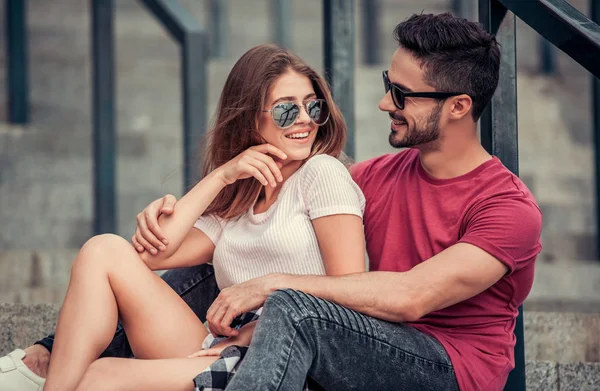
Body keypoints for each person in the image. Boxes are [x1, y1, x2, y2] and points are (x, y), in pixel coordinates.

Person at [2, 12, 543, 391]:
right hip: (324, 338)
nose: (383, 103)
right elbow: (248, 237)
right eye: (387, 84)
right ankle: (52, 351)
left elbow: (406, 298)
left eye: (400, 95)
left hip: (443, 368)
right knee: (183, 265)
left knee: (292, 305)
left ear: (458, 106)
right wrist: (219, 184)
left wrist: (270, 286)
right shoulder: (376, 176)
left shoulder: (509, 210)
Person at [0, 44, 366, 391]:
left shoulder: (322, 173)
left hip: (288, 355)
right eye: (287, 110)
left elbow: (350, 296)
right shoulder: (243, 195)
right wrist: (221, 176)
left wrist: (257, 333)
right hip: (226, 344)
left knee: (102, 377)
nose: (305, 120)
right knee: (103, 250)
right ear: (253, 123)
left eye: (312, 107)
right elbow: (146, 257)